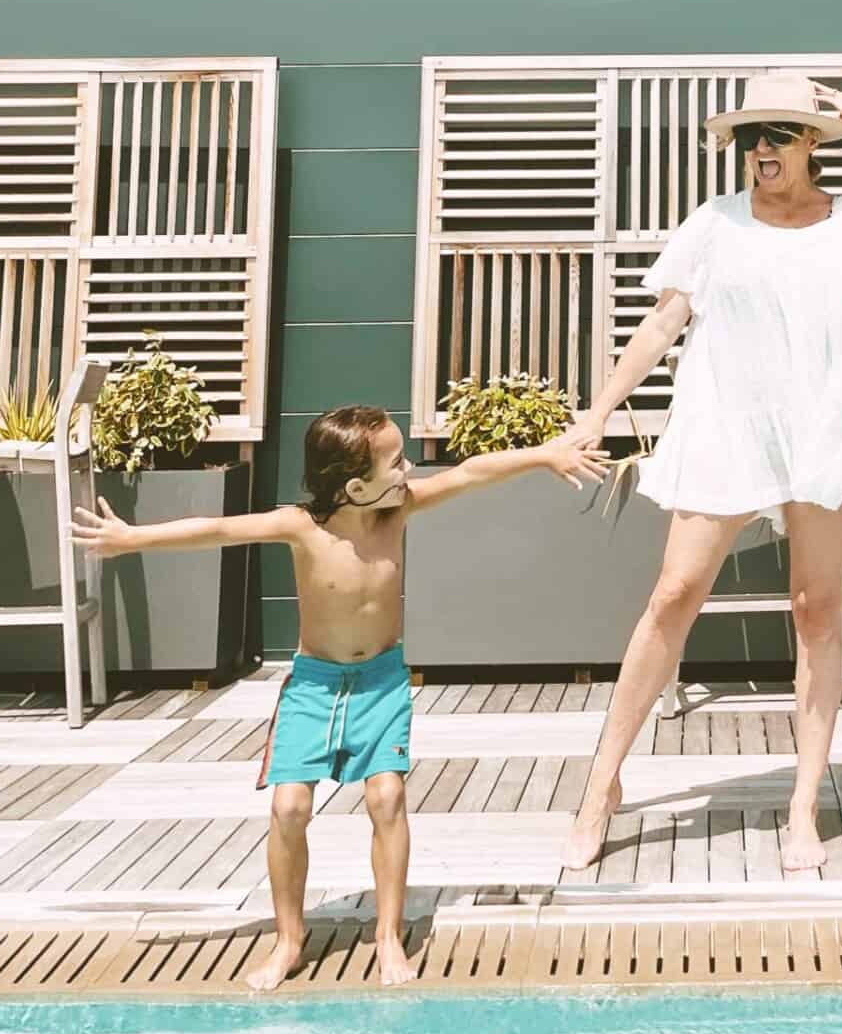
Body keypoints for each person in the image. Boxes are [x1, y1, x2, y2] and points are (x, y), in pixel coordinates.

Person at [556, 71, 842, 871]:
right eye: (749, 138)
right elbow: (664, 320)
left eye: (778, 134)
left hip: (821, 438)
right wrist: (598, 411)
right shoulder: (715, 223)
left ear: (812, 143)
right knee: (672, 596)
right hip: (725, 433)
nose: (761, 150)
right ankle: (601, 785)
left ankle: (803, 806)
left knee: (816, 613)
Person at [71, 405, 608, 990]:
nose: (409, 470)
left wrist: (544, 455)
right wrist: (129, 538)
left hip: (380, 683)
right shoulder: (302, 527)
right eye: (397, 461)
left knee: (386, 799)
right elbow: (218, 529)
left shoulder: (397, 512)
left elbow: (471, 473)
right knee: (289, 809)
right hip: (314, 687)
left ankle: (385, 934)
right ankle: (289, 938)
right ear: (355, 486)